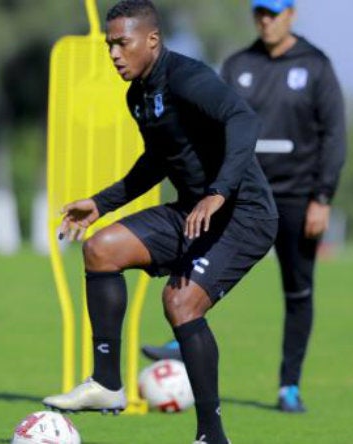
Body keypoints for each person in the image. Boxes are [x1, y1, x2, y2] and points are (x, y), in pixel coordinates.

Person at [41, 1, 278, 442]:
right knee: (100, 248)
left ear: (151, 40)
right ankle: (108, 384)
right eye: (110, 44)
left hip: (244, 214)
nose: (113, 53)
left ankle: (212, 435)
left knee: (180, 303)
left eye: (121, 43)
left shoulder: (188, 78)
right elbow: (158, 161)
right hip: (194, 210)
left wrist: (219, 191)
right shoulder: (138, 96)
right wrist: (101, 202)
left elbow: (243, 119)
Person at [141, 0, 347, 414]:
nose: (265, 21)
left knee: (298, 289)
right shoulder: (238, 64)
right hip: (241, 192)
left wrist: (322, 197)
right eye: (259, 14)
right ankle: (181, 335)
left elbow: (335, 135)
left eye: (273, 14)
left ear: (291, 15)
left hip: (296, 197)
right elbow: (209, 121)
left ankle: (289, 385)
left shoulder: (316, 65)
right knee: (199, 261)